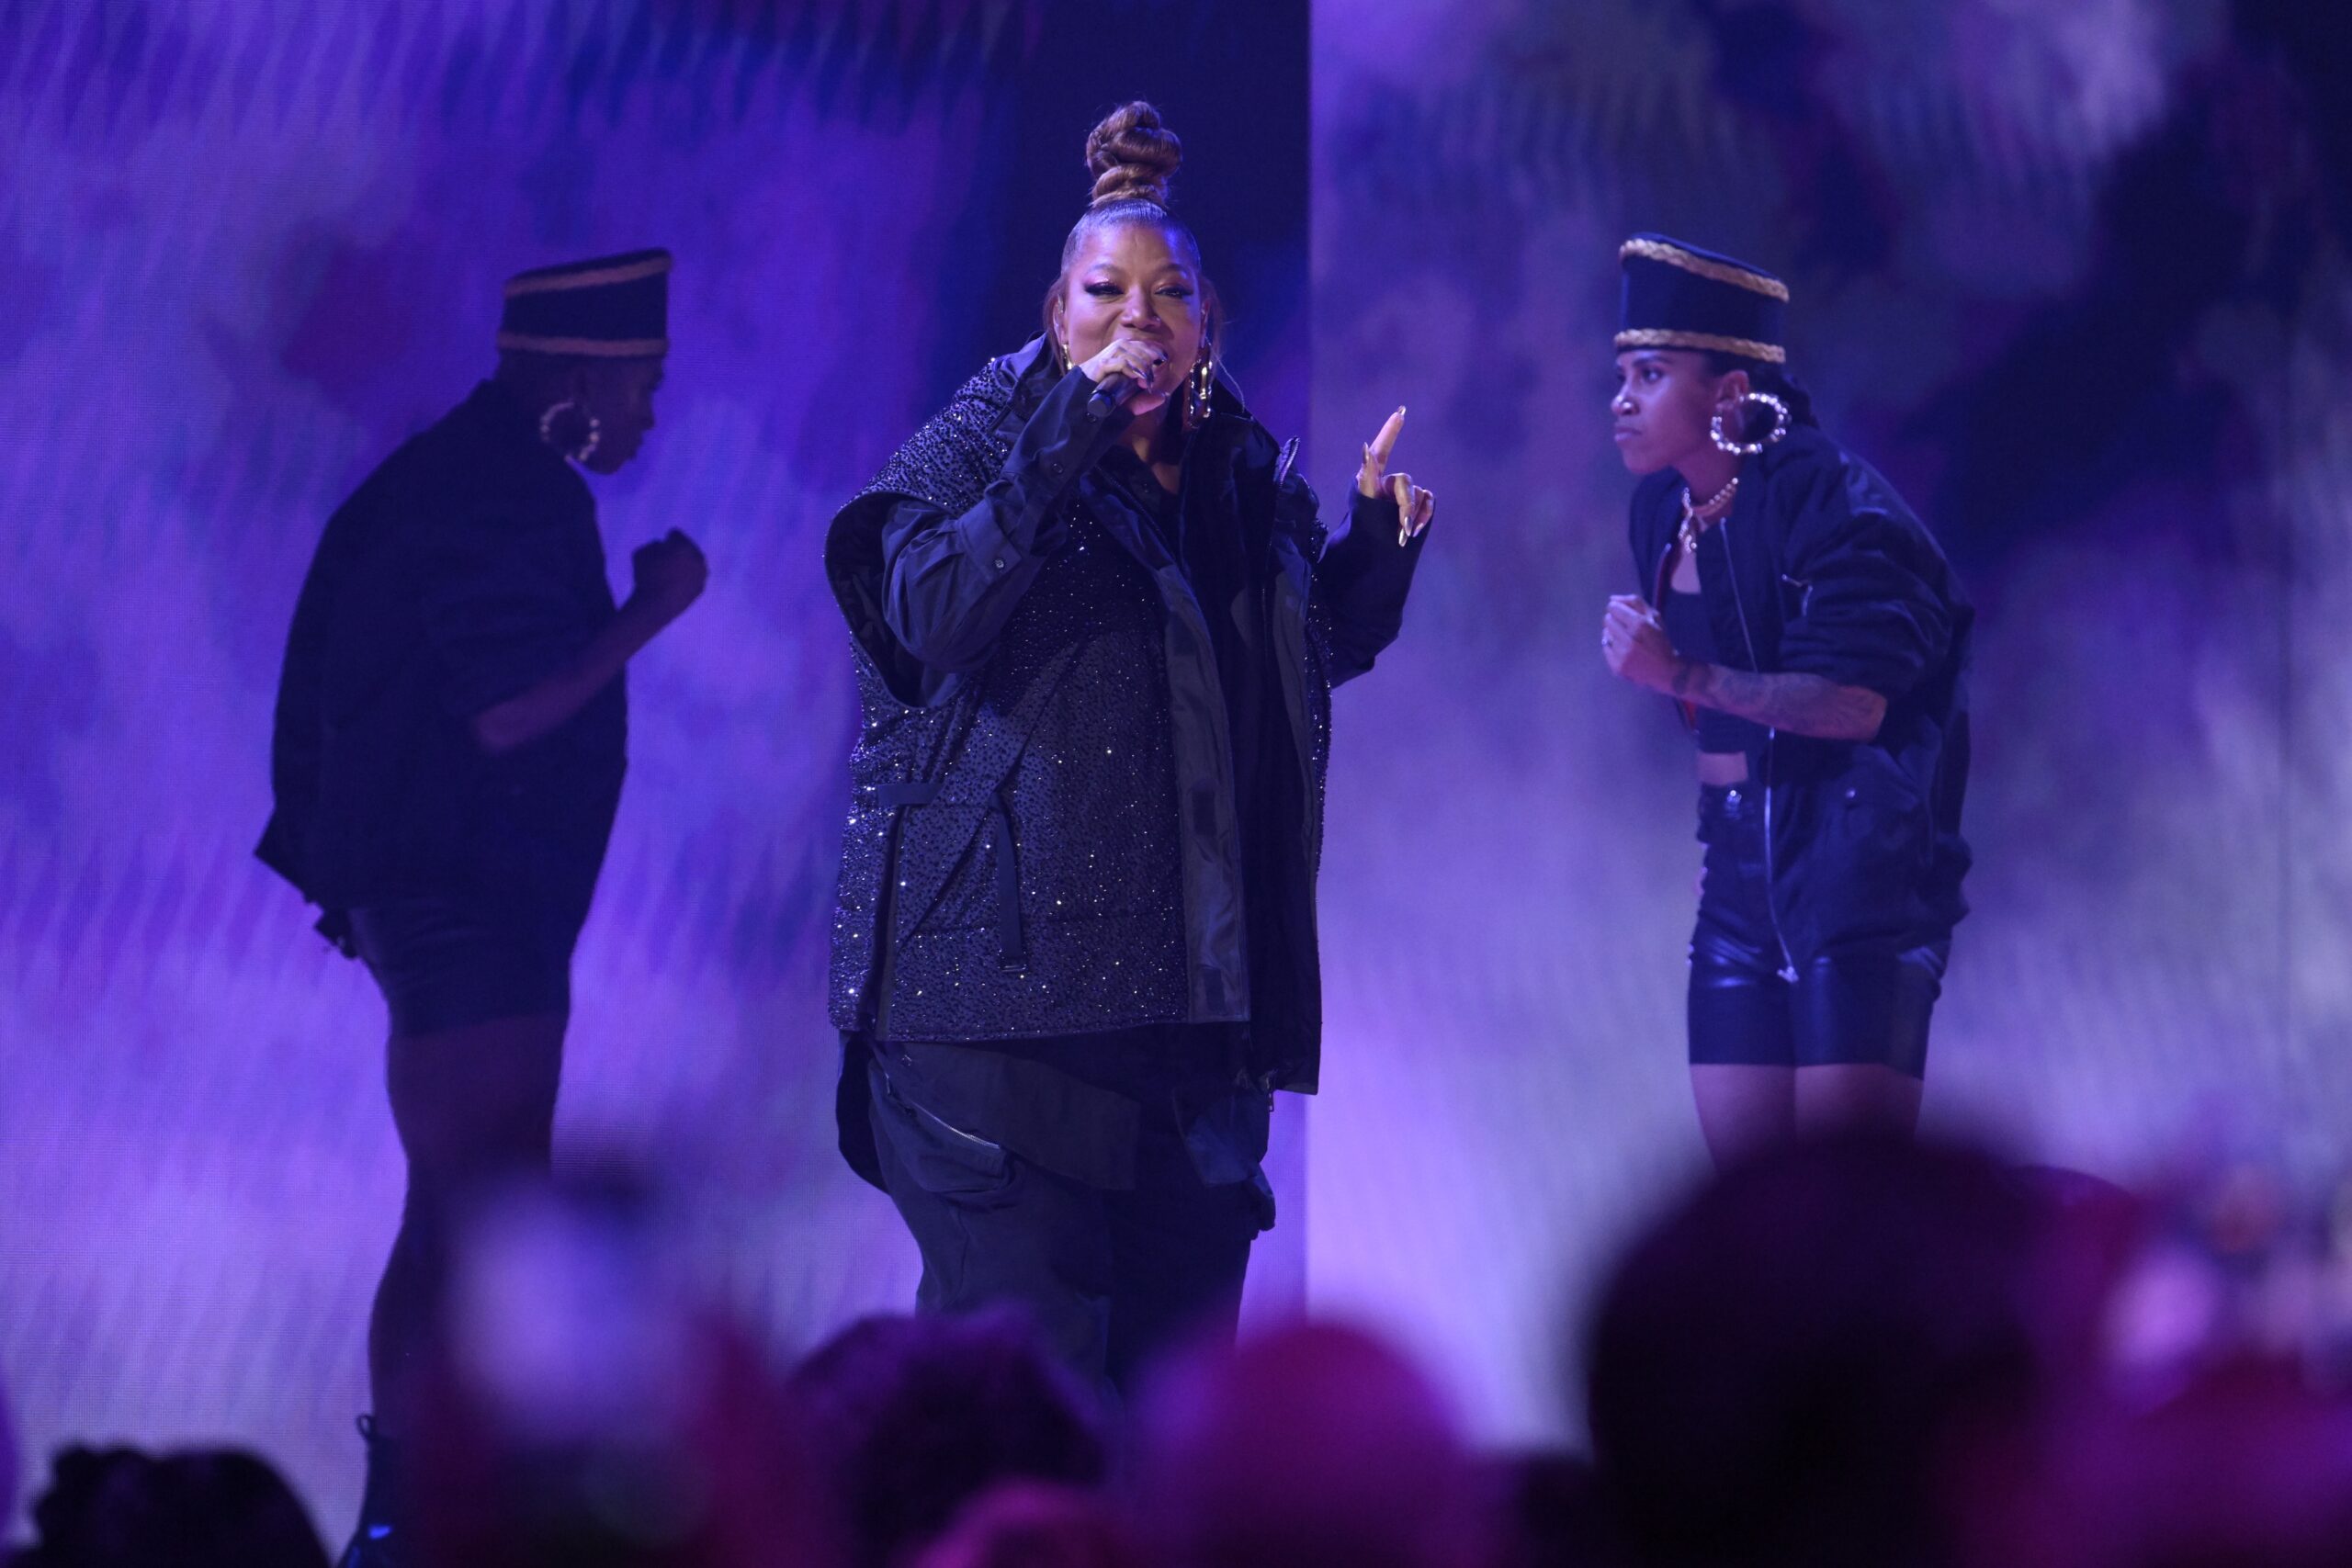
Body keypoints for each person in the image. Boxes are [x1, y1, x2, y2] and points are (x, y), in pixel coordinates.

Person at [822, 102, 1434, 1396]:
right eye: (1107, 292)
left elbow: (1295, 658)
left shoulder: (1238, 478)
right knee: (1029, 1421)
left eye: (1170, 295)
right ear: (1060, 316)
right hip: (998, 1036)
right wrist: (1064, 436)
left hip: (1189, 1033)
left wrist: (1378, 545)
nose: (1138, 320)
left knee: (1171, 1429)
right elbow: (930, 613)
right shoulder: (984, 440)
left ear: (1207, 323)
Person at [256, 249, 706, 1563]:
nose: (648, 414)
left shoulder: (487, 477)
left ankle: (425, 1509)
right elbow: (506, 706)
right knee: (476, 1209)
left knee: (468, 1205)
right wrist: (651, 612)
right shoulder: (490, 491)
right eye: (642, 383)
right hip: (463, 907)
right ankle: (414, 1519)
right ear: (577, 371)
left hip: (468, 903)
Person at [1600, 233, 1972, 1168]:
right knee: (1747, 1220)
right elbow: (1717, 714)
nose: (1622, 399)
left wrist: (1675, 673)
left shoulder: (1835, 506)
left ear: (1729, 394)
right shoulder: (1657, 509)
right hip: (1733, 875)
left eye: (1649, 373)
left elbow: (1855, 705)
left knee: (1848, 1212)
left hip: (1854, 874)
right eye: (1622, 373)